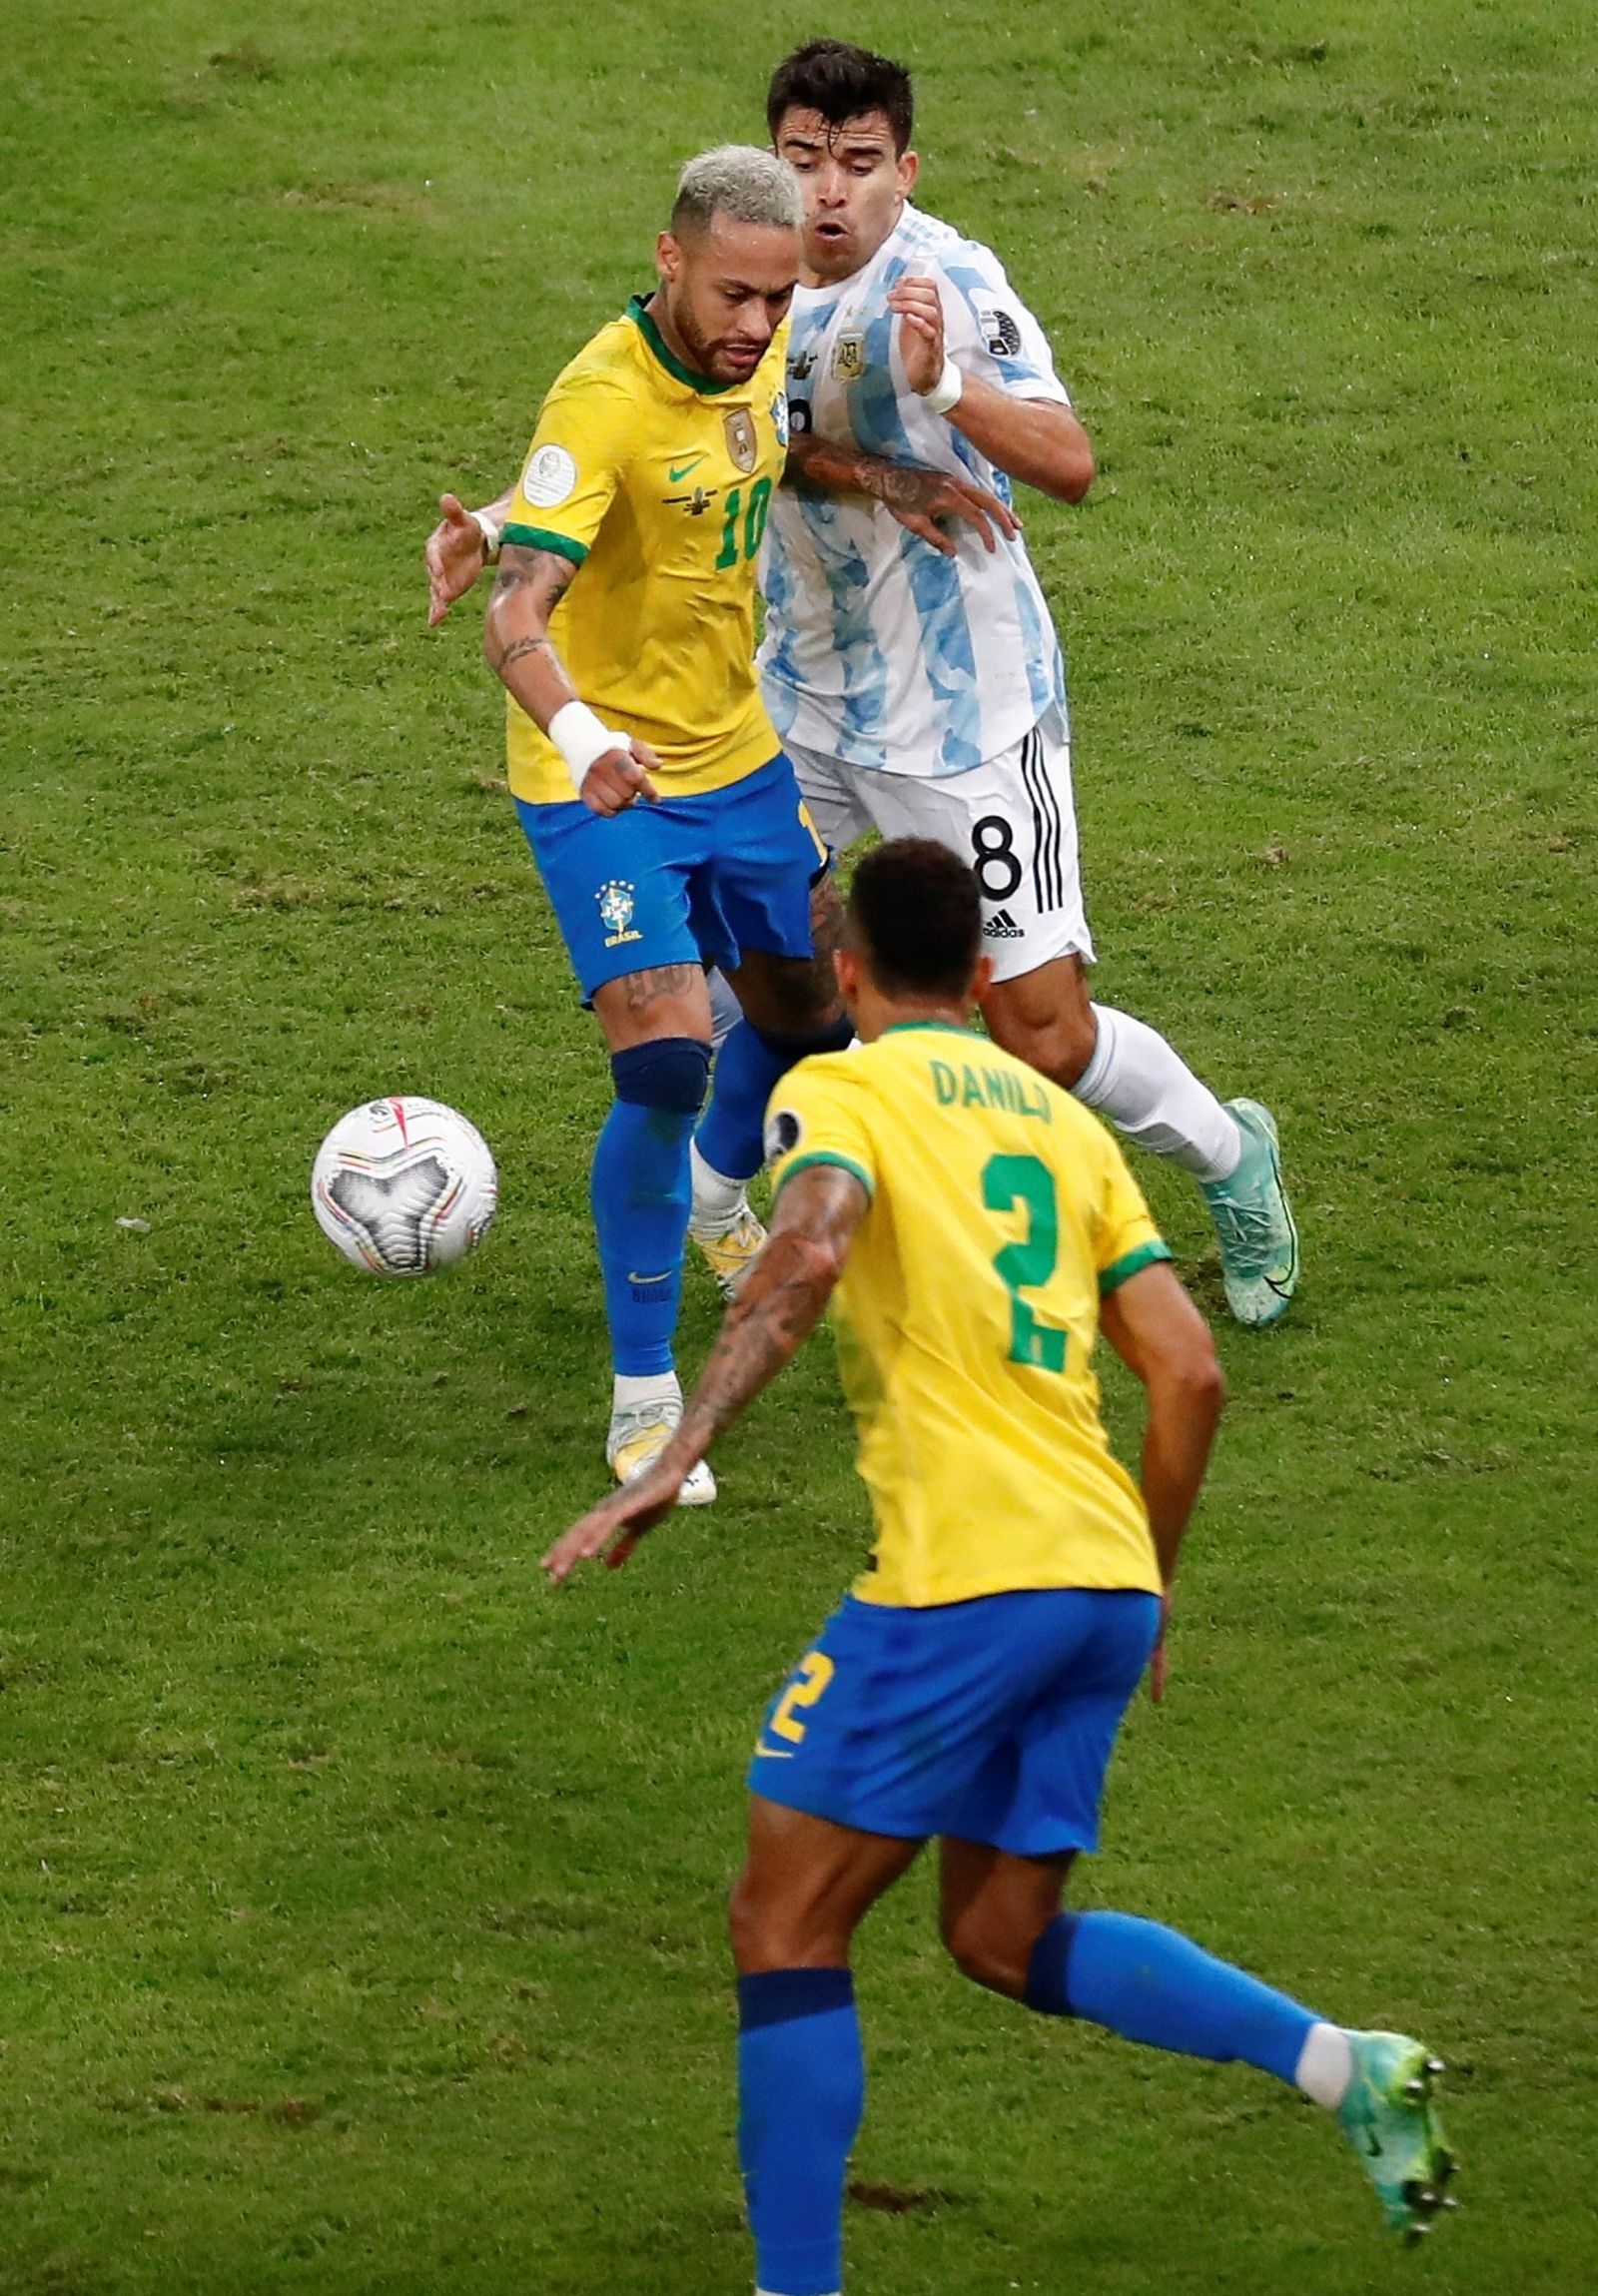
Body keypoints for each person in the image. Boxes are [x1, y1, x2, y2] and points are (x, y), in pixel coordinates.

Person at [542, 839, 1454, 2292]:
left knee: (784, 1918)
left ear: (843, 973)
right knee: (997, 1931)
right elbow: (1190, 1372)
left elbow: (804, 1262)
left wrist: (673, 1450)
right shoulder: (1067, 1126)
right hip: (1097, 1577)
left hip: (967, 1578)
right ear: (980, 972)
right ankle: (1351, 2069)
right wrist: (1147, 1582)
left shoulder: (834, 1089)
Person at [481, 144, 860, 1501]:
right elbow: (514, 614)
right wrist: (585, 741)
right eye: (732, 296)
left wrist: (491, 505)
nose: (758, 326)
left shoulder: (755, 347)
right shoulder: (601, 394)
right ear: (668, 261)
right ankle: (645, 1403)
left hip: (741, 761)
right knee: (662, 1057)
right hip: (602, 779)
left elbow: (708, 462)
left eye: (778, 296)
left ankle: (714, 1202)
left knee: (815, 1019)